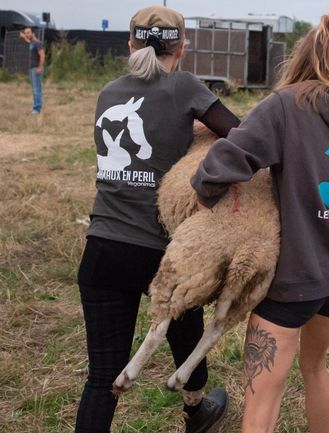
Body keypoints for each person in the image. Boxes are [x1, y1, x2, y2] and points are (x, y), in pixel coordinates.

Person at [190, 10, 329, 433]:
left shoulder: (286, 104)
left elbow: (226, 160)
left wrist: (202, 193)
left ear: (303, 57)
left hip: (294, 278)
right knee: (315, 368)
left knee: (263, 395)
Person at [76, 6, 240, 433]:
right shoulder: (184, 85)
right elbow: (239, 133)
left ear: (129, 44)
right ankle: (195, 409)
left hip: (101, 250)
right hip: (159, 255)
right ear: (181, 48)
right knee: (187, 337)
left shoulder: (108, 91)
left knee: (101, 377)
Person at [20, 26, 45, 114]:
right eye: (25, 33)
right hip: (32, 69)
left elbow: (42, 55)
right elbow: (28, 41)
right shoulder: (32, 42)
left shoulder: (37, 43)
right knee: (34, 89)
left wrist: (39, 67)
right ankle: (36, 107)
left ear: (33, 33)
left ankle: (37, 108)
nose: (27, 34)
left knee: (36, 89)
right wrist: (23, 37)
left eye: (28, 32)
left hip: (36, 69)